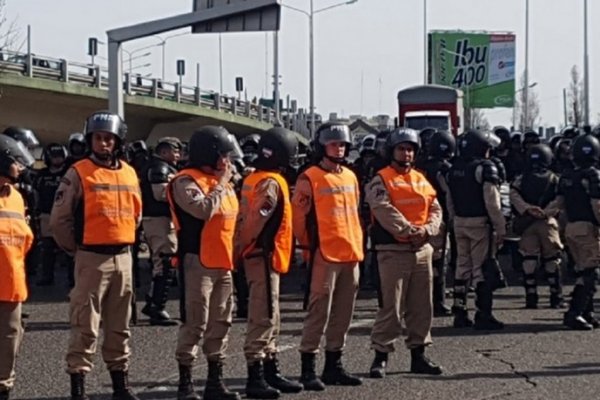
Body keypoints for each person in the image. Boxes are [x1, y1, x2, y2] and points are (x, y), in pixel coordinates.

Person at [50, 111, 142, 400]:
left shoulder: (129, 172)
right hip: (91, 257)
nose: (103, 144)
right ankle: (79, 388)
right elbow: (59, 220)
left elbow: (137, 214)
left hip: (123, 257)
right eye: (98, 138)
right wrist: (76, 251)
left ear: (117, 141)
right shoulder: (78, 172)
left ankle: (121, 386)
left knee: (120, 326)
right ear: (90, 140)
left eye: (109, 139)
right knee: (85, 325)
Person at [168, 126, 240, 400]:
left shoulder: (225, 184)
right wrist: (222, 183)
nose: (227, 162)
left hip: (223, 262)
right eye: (223, 155)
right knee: (195, 322)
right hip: (197, 260)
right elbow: (202, 210)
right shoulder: (185, 181)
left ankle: (214, 381)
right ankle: (185, 384)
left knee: (221, 321)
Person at [366, 128, 443, 379]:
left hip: (421, 250)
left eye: (410, 149)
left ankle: (418, 355)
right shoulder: (381, 179)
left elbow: (435, 208)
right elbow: (383, 209)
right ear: (391, 151)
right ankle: (381, 356)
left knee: (422, 306)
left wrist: (428, 230)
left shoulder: (422, 178)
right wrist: (410, 231)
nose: (407, 153)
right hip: (393, 250)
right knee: (391, 306)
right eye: (401, 148)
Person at [292, 122, 364, 391]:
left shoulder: (350, 176)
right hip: (324, 253)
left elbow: (355, 213)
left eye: (343, 144)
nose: (339, 148)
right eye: (334, 143)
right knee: (318, 312)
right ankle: (308, 367)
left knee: (343, 313)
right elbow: (299, 218)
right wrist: (308, 247)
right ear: (322, 146)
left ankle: (334, 364)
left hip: (350, 253)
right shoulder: (308, 177)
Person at [236, 127, 304, 399]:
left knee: (271, 315)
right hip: (262, 255)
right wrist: (248, 246)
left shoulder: (255, 177)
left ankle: (270, 369)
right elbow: (256, 220)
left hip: (265, 256)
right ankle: (256, 375)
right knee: (263, 316)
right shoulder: (271, 183)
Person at [445, 130, 506, 330]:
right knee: (481, 270)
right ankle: (483, 314)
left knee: (462, 268)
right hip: (480, 223)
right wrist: (500, 226)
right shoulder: (484, 168)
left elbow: (449, 199)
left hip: (460, 222)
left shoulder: (453, 168)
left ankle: (460, 312)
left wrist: (454, 220)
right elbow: (492, 202)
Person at [547, 135, 600, 330]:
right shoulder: (593, 175)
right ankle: (574, 312)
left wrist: (541, 215)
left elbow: (557, 204)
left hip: (571, 228)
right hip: (588, 229)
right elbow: (597, 205)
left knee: (583, 270)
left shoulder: (566, 176)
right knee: (592, 273)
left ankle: (587, 313)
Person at [0, 134, 35, 400]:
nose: (20, 167)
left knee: (10, 339)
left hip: (11, 282)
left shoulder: (16, 196)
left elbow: (24, 237)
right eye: (15, 162)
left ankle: (4, 388)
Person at [510, 144, 564, 309]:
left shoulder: (521, 178)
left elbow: (513, 195)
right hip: (548, 223)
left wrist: (527, 209)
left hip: (527, 222)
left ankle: (531, 297)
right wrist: (547, 212)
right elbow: (561, 198)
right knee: (552, 258)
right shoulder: (554, 178)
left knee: (529, 258)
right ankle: (556, 297)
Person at [140, 137, 182, 326]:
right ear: (164, 151)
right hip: (158, 220)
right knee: (164, 261)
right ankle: (157, 307)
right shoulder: (159, 168)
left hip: (161, 220)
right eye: (175, 151)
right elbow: (161, 194)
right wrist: (184, 194)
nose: (178, 155)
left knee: (165, 261)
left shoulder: (160, 166)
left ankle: (153, 302)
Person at [419, 129, 456, 316]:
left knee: (428, 260)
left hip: (421, 217)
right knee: (439, 261)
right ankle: (437, 302)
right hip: (438, 218)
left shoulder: (420, 166)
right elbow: (448, 193)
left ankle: (429, 300)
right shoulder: (444, 168)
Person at [34, 143, 68, 286]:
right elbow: (35, 192)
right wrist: (37, 209)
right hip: (47, 214)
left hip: (66, 215)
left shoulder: (69, 173)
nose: (57, 160)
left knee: (69, 247)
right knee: (47, 247)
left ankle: (73, 278)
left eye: (59, 157)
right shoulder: (42, 175)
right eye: (54, 157)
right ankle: (47, 277)